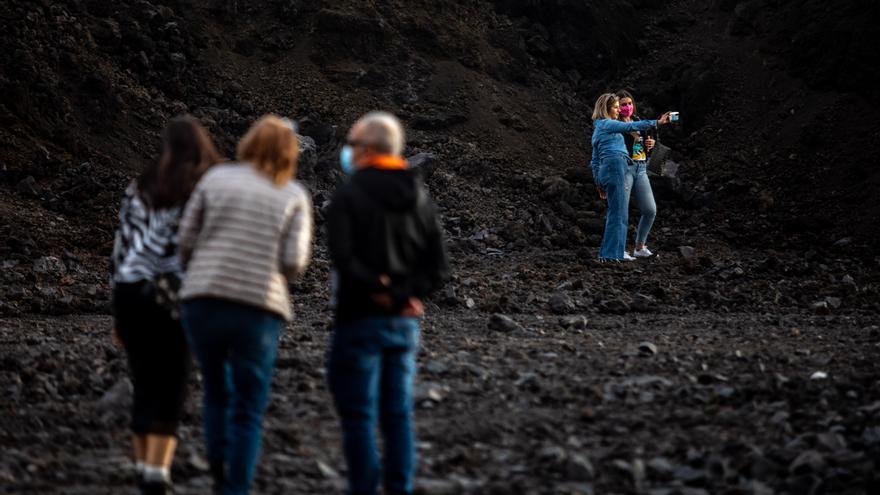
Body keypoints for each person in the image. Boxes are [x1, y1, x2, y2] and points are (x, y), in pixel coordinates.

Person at [178, 115, 313, 495]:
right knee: (249, 405)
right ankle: (235, 487)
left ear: (249, 141)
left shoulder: (216, 178)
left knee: (216, 390)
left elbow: (185, 239)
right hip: (258, 307)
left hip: (203, 299)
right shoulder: (294, 194)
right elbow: (294, 262)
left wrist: (200, 270)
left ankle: (218, 466)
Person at [326, 111, 450, 495]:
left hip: (359, 319)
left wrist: (379, 291)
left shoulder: (348, 196)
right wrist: (404, 295)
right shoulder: (419, 197)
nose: (347, 151)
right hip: (403, 321)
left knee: (359, 415)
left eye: (352, 143)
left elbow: (343, 259)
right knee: (398, 415)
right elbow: (439, 267)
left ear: (366, 149)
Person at [110, 115, 220, 495]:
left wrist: (117, 310)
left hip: (131, 290)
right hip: (177, 292)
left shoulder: (139, 186)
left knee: (142, 381)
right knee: (172, 382)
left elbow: (121, 248)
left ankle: (142, 467)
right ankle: (158, 472)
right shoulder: (204, 188)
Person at [590, 93, 670, 261]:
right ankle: (615, 253)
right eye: (618, 106)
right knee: (619, 214)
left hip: (625, 167)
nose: (621, 109)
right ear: (607, 108)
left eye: (626, 105)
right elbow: (627, 129)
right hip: (619, 167)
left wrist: (598, 181)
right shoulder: (610, 124)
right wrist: (658, 122)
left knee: (622, 212)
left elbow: (594, 159)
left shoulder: (600, 126)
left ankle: (615, 252)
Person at [617, 89, 658, 258]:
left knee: (650, 210)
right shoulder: (615, 125)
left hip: (641, 168)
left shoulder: (638, 121)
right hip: (624, 169)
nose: (627, 107)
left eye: (629, 103)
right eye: (623, 104)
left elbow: (644, 147)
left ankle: (640, 247)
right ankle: (618, 249)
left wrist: (650, 144)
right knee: (621, 210)